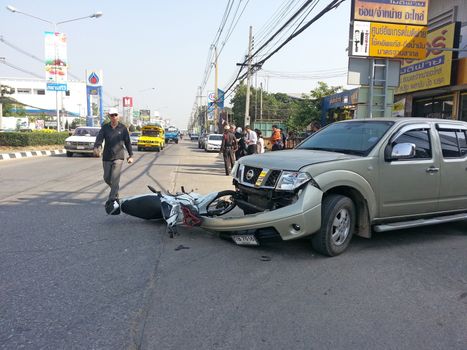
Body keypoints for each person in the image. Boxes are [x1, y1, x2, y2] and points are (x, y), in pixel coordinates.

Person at [94, 107, 133, 214]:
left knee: (115, 178)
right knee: (106, 177)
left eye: (116, 115)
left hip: (119, 157)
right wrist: (97, 147)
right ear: (109, 116)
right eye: (112, 115)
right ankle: (115, 190)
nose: (114, 117)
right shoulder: (105, 128)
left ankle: (112, 199)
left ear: (118, 116)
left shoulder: (123, 128)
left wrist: (130, 155)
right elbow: (99, 139)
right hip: (106, 156)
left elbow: (128, 142)